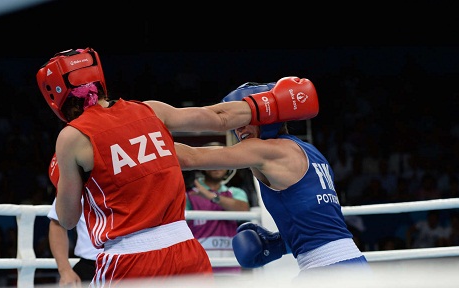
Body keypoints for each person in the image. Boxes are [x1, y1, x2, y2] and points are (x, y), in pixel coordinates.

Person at [36, 47, 318, 285]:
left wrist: (66, 178)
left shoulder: (72, 137)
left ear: (55, 96)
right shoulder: (150, 110)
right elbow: (219, 117)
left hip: (131, 260)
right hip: (186, 250)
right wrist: (273, 103)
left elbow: (68, 219)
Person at [175, 82, 371, 277]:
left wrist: (149, 137)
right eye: (235, 124)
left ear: (268, 114)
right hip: (353, 264)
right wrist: (278, 244)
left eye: (246, 118)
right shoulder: (312, 152)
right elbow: (321, 226)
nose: (239, 129)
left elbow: (192, 158)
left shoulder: (265, 151)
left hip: (327, 270)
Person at [185, 142, 250, 274]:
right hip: (200, 267)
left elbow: (243, 209)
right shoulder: (189, 195)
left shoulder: (236, 193)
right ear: (202, 165)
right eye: (212, 160)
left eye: (222, 160)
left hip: (230, 265)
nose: (217, 165)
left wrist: (209, 196)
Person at [47, 154, 103, 287]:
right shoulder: (74, 184)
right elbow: (57, 225)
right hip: (90, 266)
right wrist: (65, 270)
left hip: (130, 260)